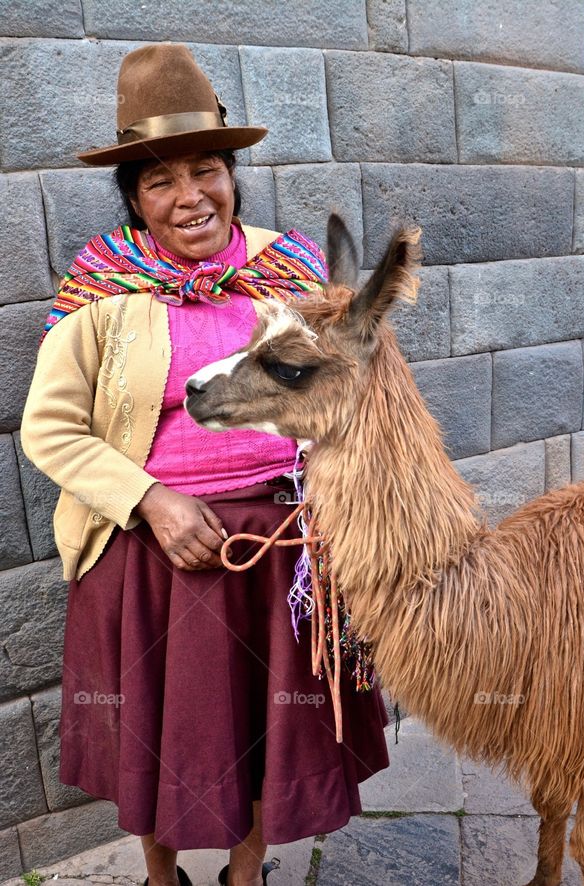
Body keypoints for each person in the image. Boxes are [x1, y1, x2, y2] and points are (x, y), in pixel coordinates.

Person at [20, 42, 390, 886]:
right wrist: (151, 501)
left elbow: (347, 398)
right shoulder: (102, 292)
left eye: (206, 170)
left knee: (267, 732)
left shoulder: (285, 273)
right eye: (160, 181)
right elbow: (50, 431)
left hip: (283, 549)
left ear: (233, 176)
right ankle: (161, 877)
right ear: (134, 201)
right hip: (153, 556)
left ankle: (246, 873)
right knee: (162, 738)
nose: (189, 197)